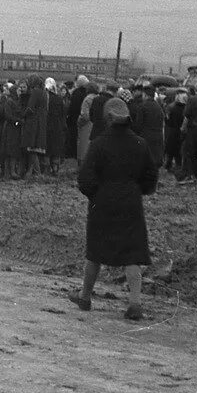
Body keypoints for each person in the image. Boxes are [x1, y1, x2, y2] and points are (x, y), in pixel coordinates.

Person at [70, 97, 159, 320]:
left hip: (103, 202)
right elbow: (151, 177)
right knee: (133, 254)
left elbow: (85, 178)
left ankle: (85, 296)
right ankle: (135, 304)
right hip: (131, 202)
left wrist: (96, 194)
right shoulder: (140, 143)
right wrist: (138, 191)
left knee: (95, 252)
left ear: (108, 118)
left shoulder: (99, 143)